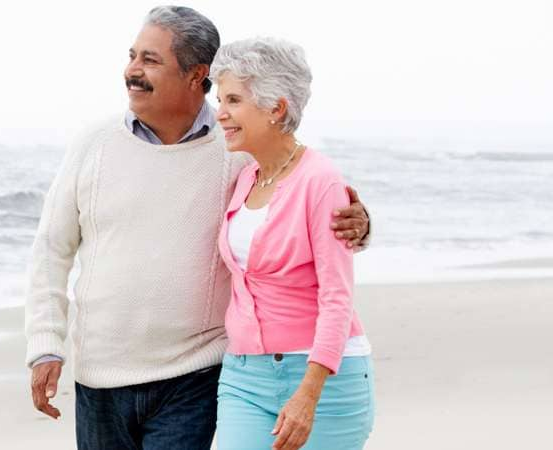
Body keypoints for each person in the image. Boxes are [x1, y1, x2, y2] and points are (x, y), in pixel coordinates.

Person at [24, 6, 372, 449]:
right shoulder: (93, 143)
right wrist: (45, 343)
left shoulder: (238, 150)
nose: (132, 70)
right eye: (132, 56)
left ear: (197, 75)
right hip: (99, 376)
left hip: (196, 375)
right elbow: (51, 249)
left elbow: (298, 188)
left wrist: (359, 224)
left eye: (150, 60)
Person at [211, 37, 375, 450]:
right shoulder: (246, 177)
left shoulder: (321, 181)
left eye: (233, 100)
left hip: (324, 381)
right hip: (244, 376)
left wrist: (308, 393)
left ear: (275, 108)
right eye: (220, 99)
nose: (221, 113)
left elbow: (337, 298)